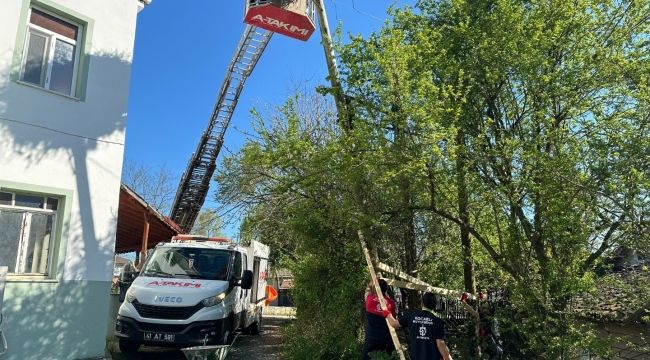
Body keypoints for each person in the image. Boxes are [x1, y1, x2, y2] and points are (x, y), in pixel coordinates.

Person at [383, 292, 454, 360]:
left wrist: (388, 314)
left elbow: (393, 324)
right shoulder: (437, 321)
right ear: (434, 306)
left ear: (422, 303)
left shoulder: (411, 317)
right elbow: (440, 345)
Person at [362, 277, 397, 360]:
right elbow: (393, 319)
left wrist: (371, 283)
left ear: (376, 288)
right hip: (386, 339)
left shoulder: (369, 299)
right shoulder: (392, 304)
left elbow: (367, 290)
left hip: (372, 338)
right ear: (386, 290)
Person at [461, 292, 503, 359]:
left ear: (487, 310)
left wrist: (463, 302)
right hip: (494, 341)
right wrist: (482, 299)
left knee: (490, 354)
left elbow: (472, 311)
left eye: (483, 308)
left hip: (490, 341)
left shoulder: (483, 316)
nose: (481, 309)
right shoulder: (492, 316)